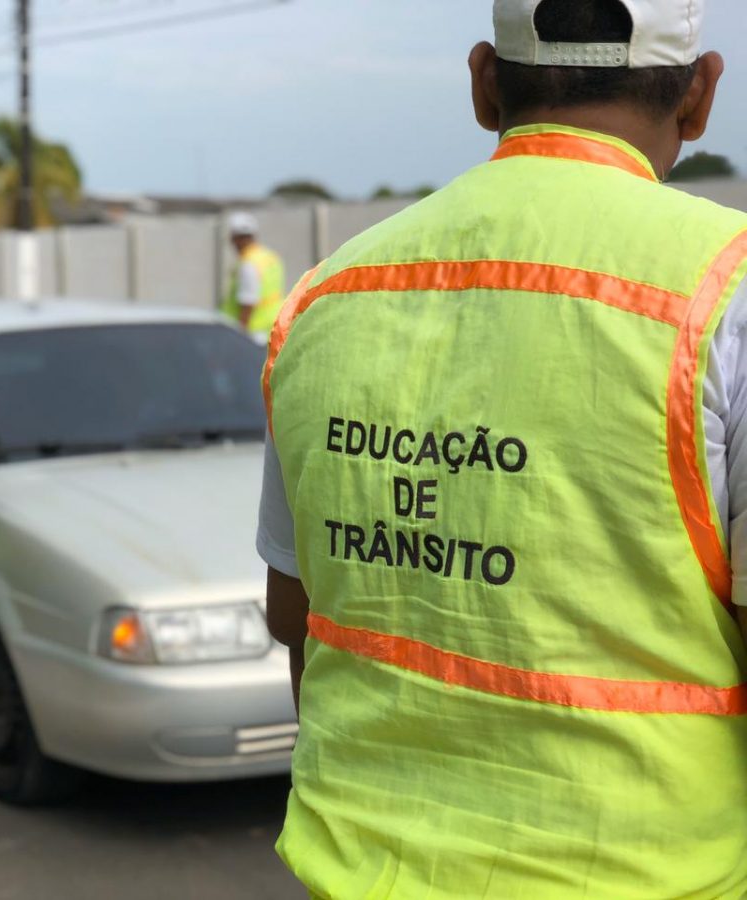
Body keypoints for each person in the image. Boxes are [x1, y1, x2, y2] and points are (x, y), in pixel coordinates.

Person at [258, 0, 747, 894]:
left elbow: (299, 622)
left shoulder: (323, 300)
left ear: (484, 83)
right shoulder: (727, 290)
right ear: (700, 96)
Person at [220, 211, 285, 337]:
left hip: (252, 333)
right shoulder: (271, 257)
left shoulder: (248, 263)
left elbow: (248, 302)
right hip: (273, 330)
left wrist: (238, 336)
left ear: (234, 238)